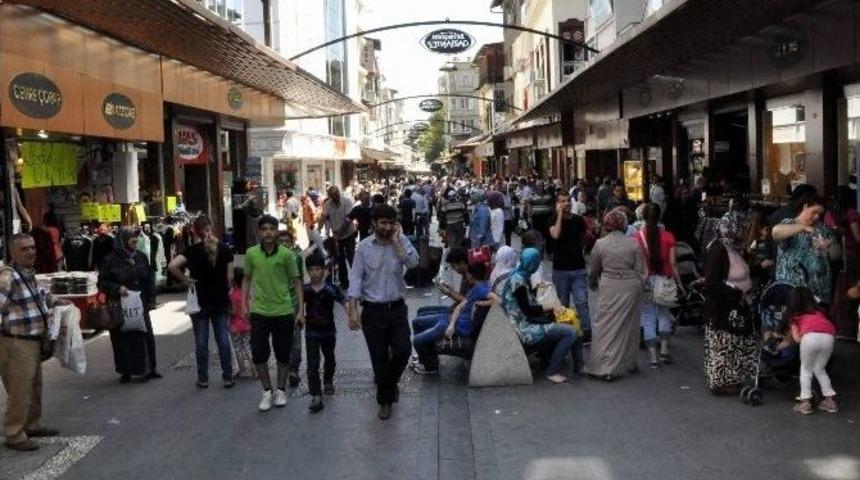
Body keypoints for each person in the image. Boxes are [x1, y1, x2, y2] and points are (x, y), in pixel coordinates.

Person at [347, 205, 419, 420]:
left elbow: (413, 263)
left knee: (403, 350)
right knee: (379, 359)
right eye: (383, 223)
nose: (387, 227)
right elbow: (356, 279)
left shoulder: (402, 241)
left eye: (390, 223)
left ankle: (390, 383)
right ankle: (385, 401)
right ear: (374, 224)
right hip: (373, 311)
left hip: (396, 309)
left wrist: (398, 242)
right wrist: (353, 311)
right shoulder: (364, 248)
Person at [0, 234, 64, 451]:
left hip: (32, 340)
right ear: (13, 253)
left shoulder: (27, 273)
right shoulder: (7, 275)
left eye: (33, 247)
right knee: (20, 389)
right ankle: (14, 434)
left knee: (34, 386)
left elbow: (37, 297)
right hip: (16, 342)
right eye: (25, 249)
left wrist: (55, 300)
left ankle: (32, 425)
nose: (31, 252)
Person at [242, 215, 305, 412]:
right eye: (265, 229)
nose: (268, 232)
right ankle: (266, 391)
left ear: (277, 231)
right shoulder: (251, 254)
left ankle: (280, 390)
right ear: (260, 232)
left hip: (283, 310)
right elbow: (246, 278)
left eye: (272, 229)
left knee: (283, 354)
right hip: (259, 310)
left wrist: (300, 310)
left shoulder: (286, 255)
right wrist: (244, 303)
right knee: (259, 354)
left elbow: (297, 282)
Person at [168, 216, 234, 388]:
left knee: (201, 341)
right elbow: (230, 277)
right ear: (212, 228)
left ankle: (203, 378)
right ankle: (228, 376)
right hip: (220, 300)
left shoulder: (191, 250)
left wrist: (185, 280)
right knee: (223, 340)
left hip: (199, 301)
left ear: (195, 232)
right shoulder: (225, 249)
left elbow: (172, 266)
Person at [501, 248, 581, 384]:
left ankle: (580, 366)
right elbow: (528, 310)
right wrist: (551, 307)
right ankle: (552, 371)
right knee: (571, 332)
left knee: (572, 322)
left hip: (525, 321)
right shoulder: (518, 281)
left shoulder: (520, 276)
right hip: (524, 328)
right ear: (533, 264)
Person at [585, 208, 646, 381]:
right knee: (629, 325)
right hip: (630, 287)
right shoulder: (634, 244)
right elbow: (641, 271)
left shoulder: (600, 244)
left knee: (605, 326)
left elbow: (594, 269)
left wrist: (593, 283)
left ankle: (604, 366)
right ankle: (628, 362)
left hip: (609, 286)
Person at [702, 213, 758, 394]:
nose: (745, 231)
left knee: (738, 343)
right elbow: (712, 283)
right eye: (742, 228)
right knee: (724, 344)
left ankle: (736, 379)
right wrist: (735, 294)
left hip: (738, 307)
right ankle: (721, 382)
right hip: (723, 309)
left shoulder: (736, 248)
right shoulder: (719, 249)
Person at [98, 227, 161, 384]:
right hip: (120, 306)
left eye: (136, 238)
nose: (135, 241)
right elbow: (102, 282)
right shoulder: (110, 260)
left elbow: (149, 278)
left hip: (140, 303)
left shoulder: (141, 257)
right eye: (132, 238)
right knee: (123, 338)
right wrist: (117, 289)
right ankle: (126, 371)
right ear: (122, 240)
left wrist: (151, 298)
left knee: (145, 335)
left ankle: (149, 369)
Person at [411, 262, 493, 374]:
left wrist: (480, 303)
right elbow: (460, 306)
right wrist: (450, 291)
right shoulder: (477, 287)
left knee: (417, 340)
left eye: (467, 274)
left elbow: (499, 301)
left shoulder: (481, 289)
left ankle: (430, 367)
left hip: (458, 326)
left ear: (470, 275)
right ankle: (428, 358)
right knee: (417, 322)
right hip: (451, 320)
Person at [634, 204, 682, 368]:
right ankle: (664, 350)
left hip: (646, 281)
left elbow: (636, 264)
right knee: (664, 314)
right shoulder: (668, 236)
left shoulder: (638, 237)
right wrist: (680, 283)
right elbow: (673, 262)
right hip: (665, 281)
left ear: (643, 217)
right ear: (660, 217)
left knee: (648, 317)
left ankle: (653, 358)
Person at [303, 253, 348, 413]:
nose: (314, 273)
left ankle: (328, 381)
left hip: (329, 332)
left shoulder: (331, 288)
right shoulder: (305, 289)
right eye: (311, 270)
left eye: (317, 269)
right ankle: (315, 394)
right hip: (311, 332)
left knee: (330, 359)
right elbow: (297, 306)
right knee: (312, 363)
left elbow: (344, 300)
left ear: (323, 270)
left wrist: (352, 315)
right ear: (307, 271)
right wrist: (297, 317)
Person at [772, 194, 833, 302]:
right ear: (805, 207)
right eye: (814, 212)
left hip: (818, 292)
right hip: (794, 291)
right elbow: (776, 232)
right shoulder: (789, 223)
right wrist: (803, 227)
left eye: (820, 214)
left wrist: (829, 244)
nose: (817, 217)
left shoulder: (822, 228)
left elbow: (837, 253)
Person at [787, 287, 838, 415]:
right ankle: (830, 401)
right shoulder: (819, 313)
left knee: (806, 369)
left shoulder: (795, 317)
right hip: (829, 336)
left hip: (810, 337)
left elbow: (797, 339)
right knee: (820, 368)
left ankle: (805, 403)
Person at [548, 191, 591, 334]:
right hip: (560, 269)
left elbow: (585, 238)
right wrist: (559, 215)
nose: (566, 203)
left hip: (578, 267)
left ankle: (586, 330)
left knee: (582, 301)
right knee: (563, 303)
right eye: (562, 201)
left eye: (568, 200)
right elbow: (555, 235)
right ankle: (565, 331)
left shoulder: (578, 220)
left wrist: (582, 252)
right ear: (557, 204)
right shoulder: (553, 219)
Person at [832, 186, 860, 338]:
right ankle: (850, 325)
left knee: (843, 288)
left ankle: (842, 325)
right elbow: (858, 237)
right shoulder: (852, 213)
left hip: (845, 256)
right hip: (853, 256)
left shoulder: (841, 214)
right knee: (852, 288)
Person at [280, 228, 306, 388]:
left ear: (292, 243)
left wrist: (302, 308)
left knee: (296, 338)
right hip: (277, 304)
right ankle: (286, 367)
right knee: (281, 338)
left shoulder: (296, 258)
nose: (284, 244)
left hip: (294, 302)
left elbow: (300, 282)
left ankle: (293, 370)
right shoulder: (273, 259)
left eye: (287, 241)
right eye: (281, 241)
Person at [319, 186, 357, 290]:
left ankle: (357, 282)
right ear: (330, 196)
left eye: (337, 193)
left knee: (351, 258)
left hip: (348, 234)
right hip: (337, 237)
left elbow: (347, 220)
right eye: (333, 195)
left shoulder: (347, 201)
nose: (336, 196)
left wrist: (338, 233)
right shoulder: (327, 205)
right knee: (340, 260)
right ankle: (344, 283)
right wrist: (319, 227)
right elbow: (324, 218)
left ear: (339, 193)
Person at [229, 268, 255, 379]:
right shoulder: (247, 294)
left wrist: (227, 311)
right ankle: (254, 370)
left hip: (235, 326)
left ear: (233, 281)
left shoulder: (232, 295)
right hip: (246, 324)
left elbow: (234, 312)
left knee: (238, 348)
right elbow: (250, 309)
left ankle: (243, 370)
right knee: (248, 347)